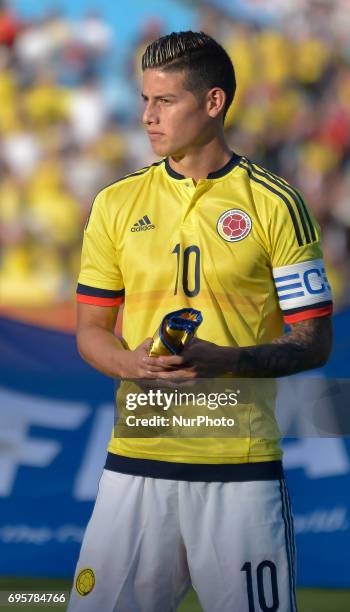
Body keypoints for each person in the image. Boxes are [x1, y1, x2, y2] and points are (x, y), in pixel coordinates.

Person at [69, 31, 333, 612]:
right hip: (134, 466)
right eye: (144, 100)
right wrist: (131, 363)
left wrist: (226, 360)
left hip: (240, 475)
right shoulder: (115, 203)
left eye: (164, 102)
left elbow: (314, 342)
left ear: (213, 103)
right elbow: (90, 332)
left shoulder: (276, 204)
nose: (147, 116)